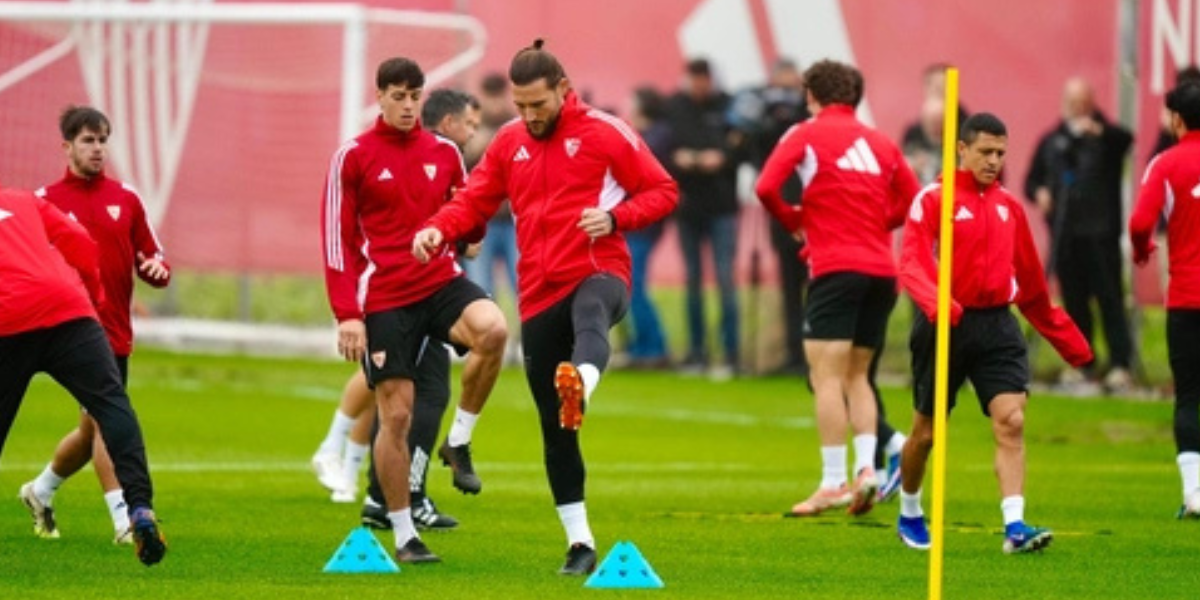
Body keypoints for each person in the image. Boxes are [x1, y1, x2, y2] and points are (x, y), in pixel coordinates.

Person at [413, 39, 678, 575]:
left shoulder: (606, 132)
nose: (530, 115)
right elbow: (474, 200)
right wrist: (438, 227)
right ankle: (580, 544)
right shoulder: (509, 141)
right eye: (521, 105)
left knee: (591, 315)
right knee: (557, 433)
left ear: (563, 89)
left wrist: (617, 218)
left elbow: (663, 190)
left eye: (539, 104)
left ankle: (581, 382)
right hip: (536, 293)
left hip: (599, 269)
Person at [321, 57, 508, 564]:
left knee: (493, 331)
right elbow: (336, 240)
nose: (407, 106)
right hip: (385, 297)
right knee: (397, 416)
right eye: (399, 96)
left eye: (414, 97)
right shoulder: (352, 156)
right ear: (380, 96)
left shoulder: (445, 152)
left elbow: (466, 211)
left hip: (440, 282)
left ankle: (459, 440)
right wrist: (347, 314)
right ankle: (404, 533)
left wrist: (468, 231)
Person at [896, 113, 1093, 553]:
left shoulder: (1010, 207)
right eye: (985, 152)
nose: (993, 161)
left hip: (998, 326)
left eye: (1001, 153)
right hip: (944, 324)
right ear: (962, 150)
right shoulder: (933, 198)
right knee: (926, 434)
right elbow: (911, 262)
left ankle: (1015, 527)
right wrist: (938, 302)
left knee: (1012, 420)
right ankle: (909, 509)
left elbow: (1033, 286)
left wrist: (1071, 343)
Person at [755, 59, 919, 518]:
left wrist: (795, 219)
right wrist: (876, 223)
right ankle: (867, 469)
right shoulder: (881, 141)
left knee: (824, 377)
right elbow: (912, 199)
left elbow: (766, 187)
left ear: (811, 95)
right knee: (856, 375)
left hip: (836, 268)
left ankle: (833, 482)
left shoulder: (804, 134)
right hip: (882, 272)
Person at [19, 106, 171, 545]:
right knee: (106, 421)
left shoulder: (127, 199)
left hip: (113, 330)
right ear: (66, 146)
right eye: (88, 140)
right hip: (65, 331)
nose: (98, 148)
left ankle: (41, 490)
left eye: (103, 140)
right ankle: (125, 518)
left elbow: (154, 255)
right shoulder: (43, 202)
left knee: (91, 431)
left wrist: (156, 269)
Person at [0, 184, 167, 566]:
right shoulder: (23, 199)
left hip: (8, 319)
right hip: (69, 308)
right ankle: (139, 507)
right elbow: (80, 241)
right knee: (111, 405)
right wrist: (92, 297)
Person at [357, 88, 483, 532]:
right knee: (424, 396)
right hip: (412, 293)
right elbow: (422, 224)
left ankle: (379, 495)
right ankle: (406, 496)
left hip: (405, 291)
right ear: (447, 123)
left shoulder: (433, 157)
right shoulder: (434, 156)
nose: (474, 132)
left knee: (397, 400)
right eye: (470, 124)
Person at [1024, 77, 1134, 393]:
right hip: (1065, 235)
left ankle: (1120, 364)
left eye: (1082, 102)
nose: (1077, 108)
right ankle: (1083, 362)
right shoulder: (1052, 141)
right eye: (1072, 102)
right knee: (1075, 301)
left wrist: (1098, 131)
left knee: (1110, 299)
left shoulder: (1105, 137)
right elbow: (1031, 181)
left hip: (1101, 233)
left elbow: (1126, 141)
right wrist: (1041, 192)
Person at [1130, 80, 1200, 519]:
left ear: (1176, 119)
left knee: (1189, 395)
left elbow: (1141, 222)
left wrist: (1142, 251)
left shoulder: (1166, 163)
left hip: (1188, 298)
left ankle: (1195, 494)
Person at [729, 58, 810, 377]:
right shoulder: (764, 113)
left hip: (812, 210)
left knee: (816, 286)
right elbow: (747, 152)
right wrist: (759, 119)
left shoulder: (807, 115)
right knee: (789, 285)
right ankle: (793, 352)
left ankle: (814, 352)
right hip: (780, 212)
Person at [664, 58, 743, 379]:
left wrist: (721, 157)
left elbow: (740, 148)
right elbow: (663, 149)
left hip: (722, 206)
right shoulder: (674, 106)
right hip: (688, 207)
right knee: (693, 281)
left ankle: (731, 353)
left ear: (710, 80)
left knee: (725, 279)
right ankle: (697, 352)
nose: (699, 86)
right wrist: (684, 159)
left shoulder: (728, 106)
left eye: (703, 80)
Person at [622, 85, 672, 369]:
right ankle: (642, 345)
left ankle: (654, 346)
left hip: (642, 222)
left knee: (635, 286)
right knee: (631, 285)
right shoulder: (649, 133)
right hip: (636, 222)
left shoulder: (658, 135)